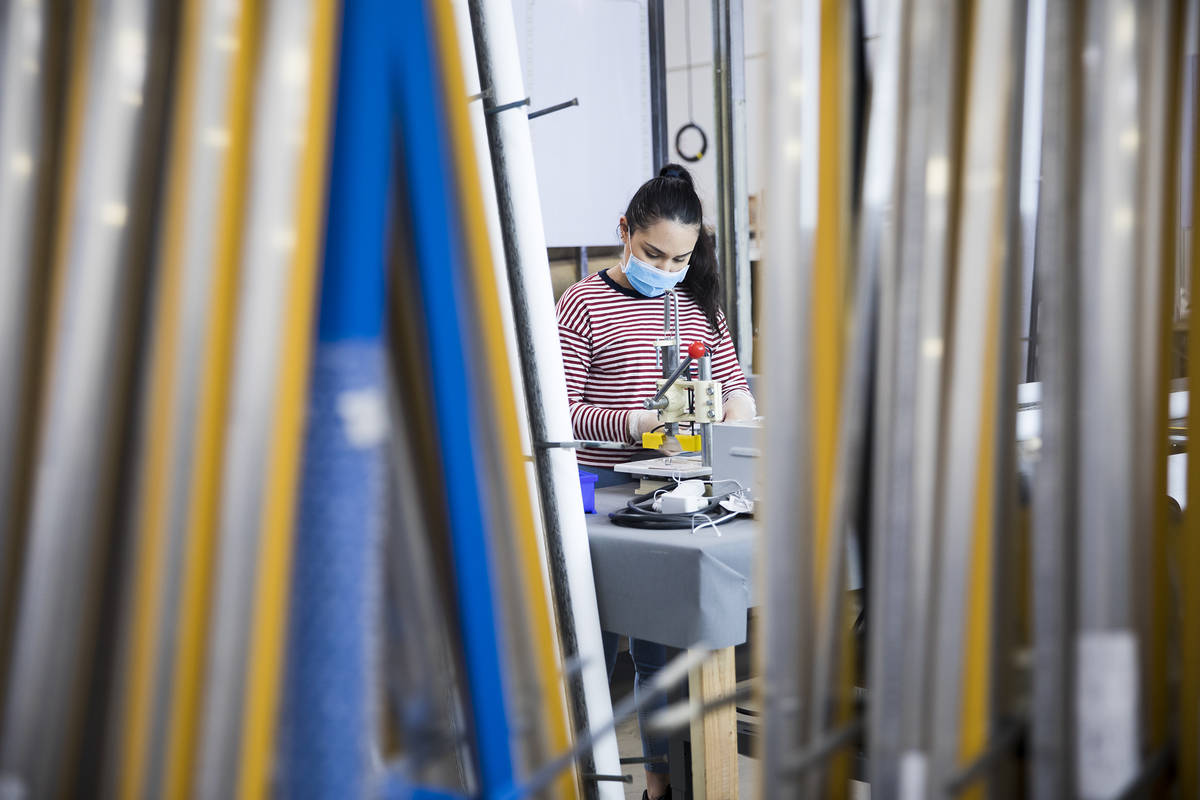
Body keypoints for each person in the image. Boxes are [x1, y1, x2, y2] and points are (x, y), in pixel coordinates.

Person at [555, 163, 755, 800]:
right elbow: (555, 411)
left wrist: (732, 412)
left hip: (676, 495)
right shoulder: (584, 303)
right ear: (625, 233)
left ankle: (660, 786)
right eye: (653, 254)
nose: (666, 270)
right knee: (595, 645)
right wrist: (636, 422)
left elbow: (737, 389)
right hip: (603, 496)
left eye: (680, 259)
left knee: (663, 652)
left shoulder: (694, 305)